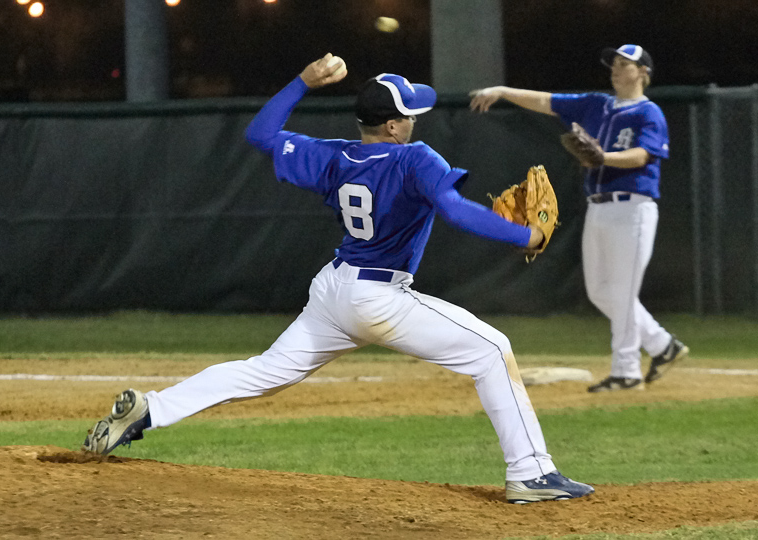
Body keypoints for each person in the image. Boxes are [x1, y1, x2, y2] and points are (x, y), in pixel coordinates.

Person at [83, 53, 594, 504]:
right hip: (378, 296)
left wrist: (303, 80)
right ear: (392, 126)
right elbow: (456, 209)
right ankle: (531, 473)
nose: (415, 122)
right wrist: (521, 236)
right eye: (410, 114)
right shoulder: (415, 158)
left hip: (334, 290)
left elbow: (260, 134)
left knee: (263, 372)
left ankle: (149, 411)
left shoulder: (333, 155)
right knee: (491, 349)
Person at [470, 44, 689, 393]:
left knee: (623, 290)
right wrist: (501, 91)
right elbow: (546, 101)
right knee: (601, 291)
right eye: (613, 64)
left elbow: (642, 156)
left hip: (633, 207)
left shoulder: (649, 114)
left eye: (624, 64)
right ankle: (663, 345)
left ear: (643, 72)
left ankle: (627, 371)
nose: (615, 70)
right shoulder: (596, 104)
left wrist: (604, 157)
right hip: (599, 206)